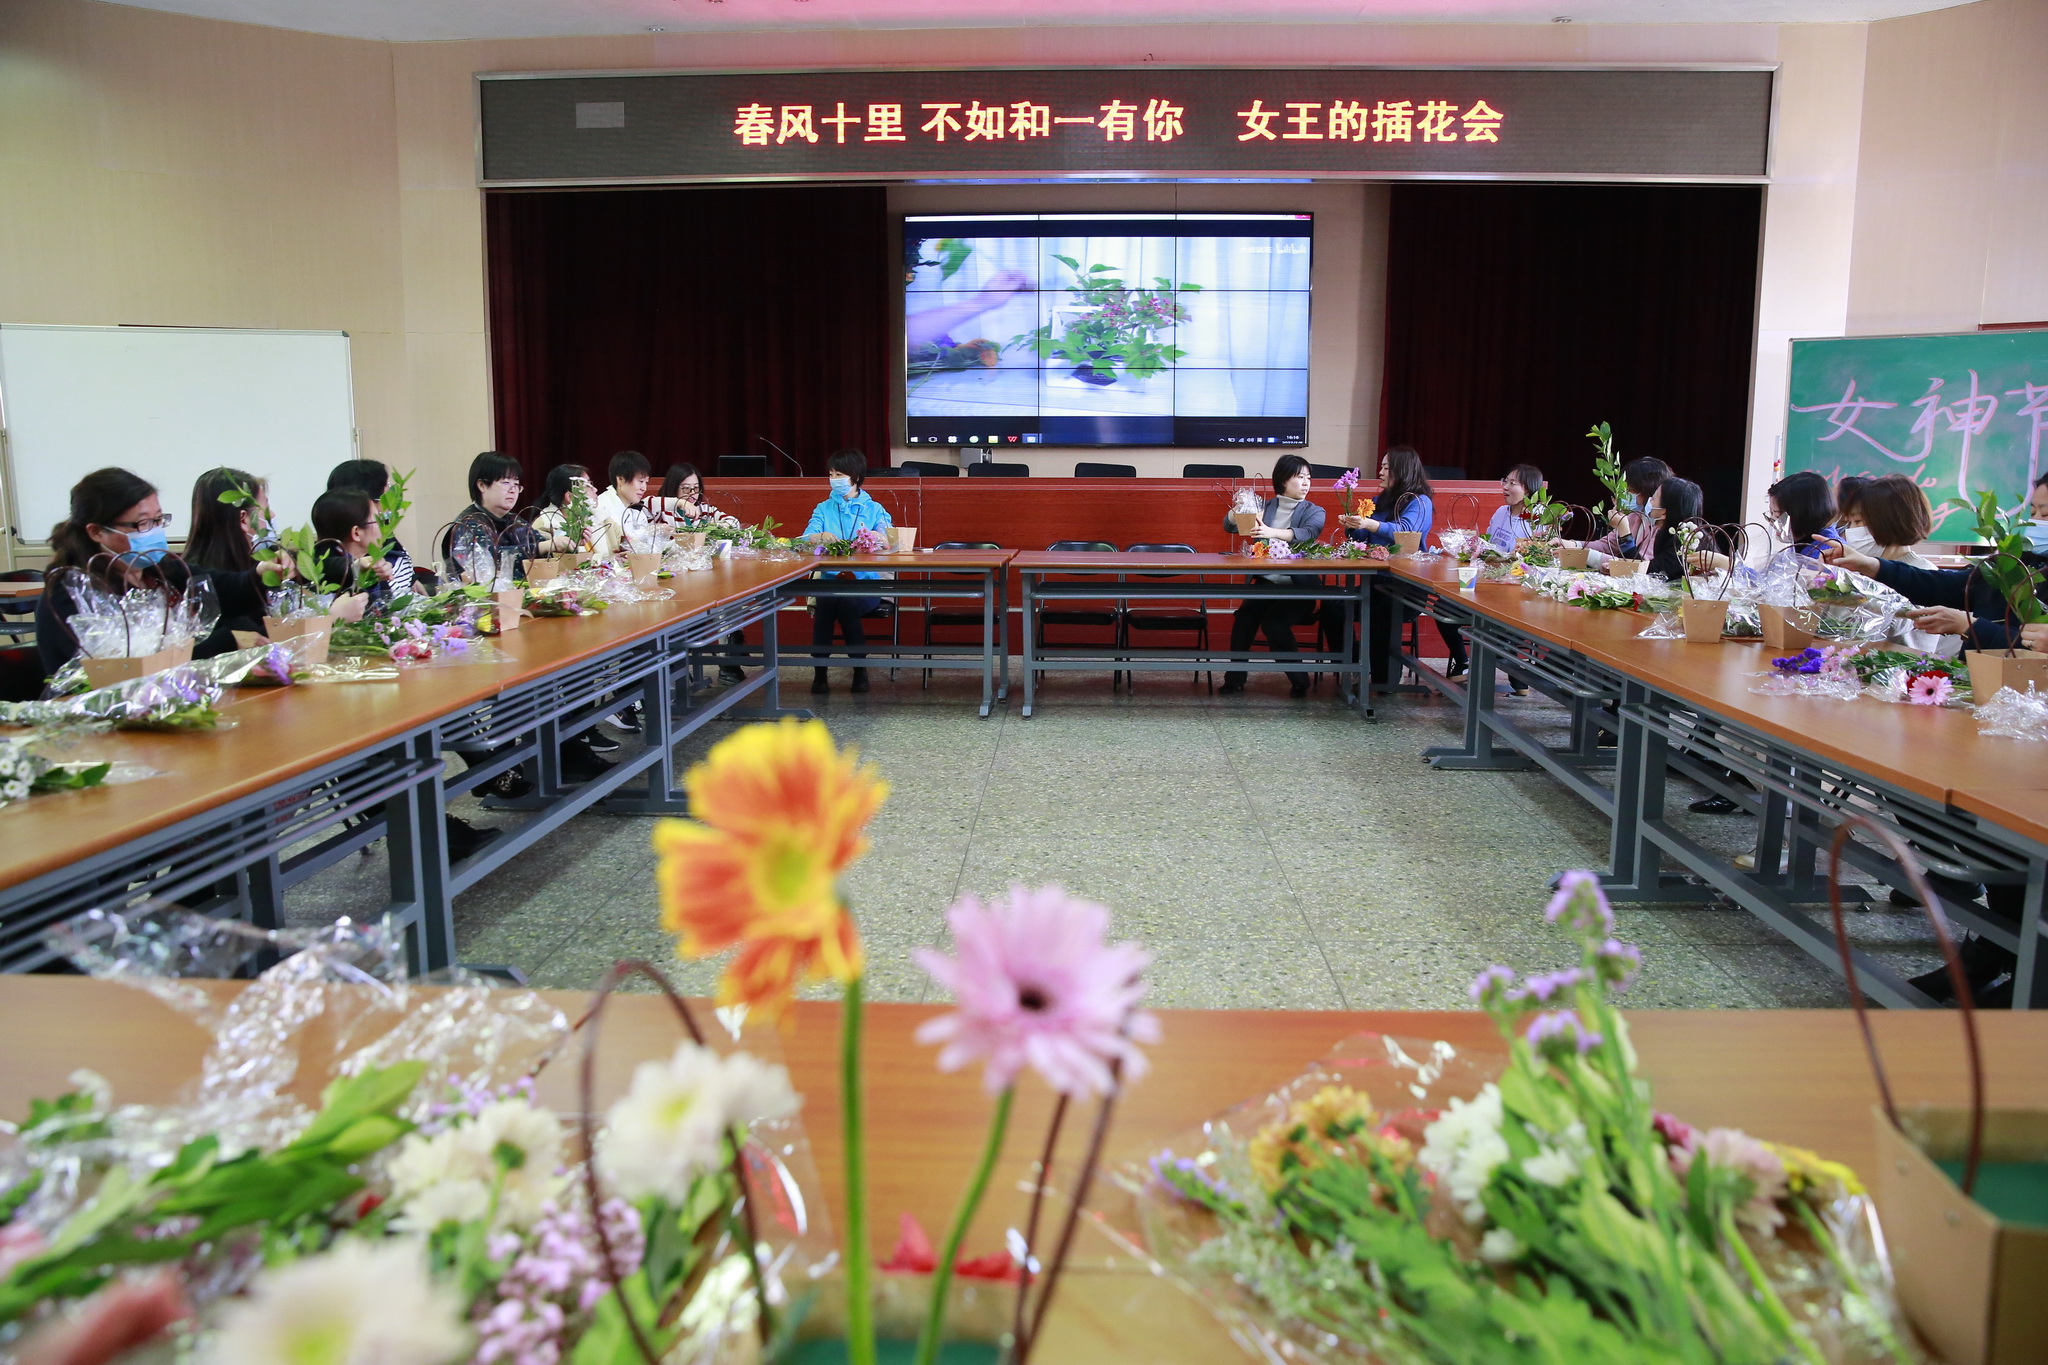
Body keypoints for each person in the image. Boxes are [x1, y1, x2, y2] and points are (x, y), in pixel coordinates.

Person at [34, 468, 276, 677]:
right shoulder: (71, 594)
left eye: (158, 520)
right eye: (142, 524)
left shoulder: (159, 570)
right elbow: (126, 668)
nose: (153, 531)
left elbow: (225, 590)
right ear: (97, 532)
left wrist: (262, 573)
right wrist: (226, 640)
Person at [1220, 455, 1325, 697]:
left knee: (1274, 623)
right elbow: (1230, 526)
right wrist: (1236, 512)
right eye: (1300, 477)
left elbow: (1307, 533)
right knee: (1244, 618)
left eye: (1308, 478)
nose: (1306, 483)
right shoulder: (1264, 507)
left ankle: (1299, 681)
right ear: (1283, 480)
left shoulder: (1315, 511)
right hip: (1265, 584)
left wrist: (1271, 532)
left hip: (1299, 589)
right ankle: (1234, 679)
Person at [1332, 447, 1433, 686]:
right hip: (1377, 582)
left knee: (1381, 612)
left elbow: (1405, 531)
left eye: (1386, 467)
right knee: (1332, 606)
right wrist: (1352, 526)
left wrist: (1369, 524)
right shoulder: (1380, 501)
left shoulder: (1420, 501)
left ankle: (1385, 680)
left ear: (1402, 470)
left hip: (1407, 586)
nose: (1380, 472)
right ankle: (1354, 665)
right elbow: (1363, 537)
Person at [802, 448, 893, 694]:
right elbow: (806, 537)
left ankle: (840, 671)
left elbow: (891, 541)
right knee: (829, 600)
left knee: (842, 601)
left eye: (839, 474)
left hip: (865, 584)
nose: (834, 479)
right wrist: (819, 536)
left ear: (856, 477)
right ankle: (833, 671)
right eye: (831, 474)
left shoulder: (875, 509)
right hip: (830, 583)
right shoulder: (823, 508)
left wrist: (877, 537)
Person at [182, 467, 274, 642]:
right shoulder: (214, 587)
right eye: (266, 509)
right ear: (243, 519)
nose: (273, 515)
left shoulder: (193, 570)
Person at [327, 458, 419, 596]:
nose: (391, 492)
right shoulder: (341, 558)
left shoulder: (382, 532)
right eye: (387, 486)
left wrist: (412, 580)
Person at [445, 452, 538, 583]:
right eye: (505, 483)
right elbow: (488, 558)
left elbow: (540, 542)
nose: (513, 490)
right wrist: (540, 547)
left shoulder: (514, 520)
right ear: (482, 485)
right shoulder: (467, 524)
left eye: (516, 484)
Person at [1585, 456, 1670, 568]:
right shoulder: (1635, 517)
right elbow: (1607, 545)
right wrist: (1572, 545)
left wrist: (1624, 531)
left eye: (1630, 491)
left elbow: (1641, 567)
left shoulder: (1662, 525)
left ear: (1648, 490)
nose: (1625, 495)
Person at [1642, 477, 1705, 583]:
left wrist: (1625, 536)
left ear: (1664, 512)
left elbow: (1648, 572)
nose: (1650, 501)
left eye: (1653, 498)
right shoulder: (1665, 533)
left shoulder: (1685, 543)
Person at [593, 450, 653, 558]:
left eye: (646, 482)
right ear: (620, 479)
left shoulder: (636, 510)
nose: (644, 488)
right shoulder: (602, 507)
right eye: (640, 481)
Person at [1768, 470, 1840, 558]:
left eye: (1777, 516)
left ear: (1802, 516)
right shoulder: (1802, 544)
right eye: (1771, 513)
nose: (1772, 522)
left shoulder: (1827, 553)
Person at [530, 463, 596, 556]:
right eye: (588, 485)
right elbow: (553, 561)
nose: (595, 489)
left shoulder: (586, 519)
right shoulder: (544, 526)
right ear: (570, 496)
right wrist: (574, 545)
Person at [647, 462, 739, 528]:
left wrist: (714, 526)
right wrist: (680, 502)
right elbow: (646, 503)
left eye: (696, 488)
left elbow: (734, 522)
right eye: (686, 488)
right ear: (673, 487)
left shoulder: (704, 510)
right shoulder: (662, 512)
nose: (692, 493)